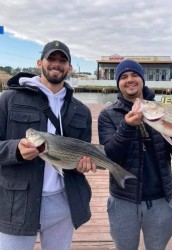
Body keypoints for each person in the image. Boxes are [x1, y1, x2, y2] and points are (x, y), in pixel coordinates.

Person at [98, 59, 172, 250]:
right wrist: (127, 126)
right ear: (118, 83)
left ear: (142, 79)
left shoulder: (162, 110)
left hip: (160, 200)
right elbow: (110, 156)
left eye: (134, 75)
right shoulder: (108, 115)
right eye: (123, 77)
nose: (129, 80)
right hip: (123, 199)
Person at [0, 40, 96, 250]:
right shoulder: (8, 99)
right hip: (16, 204)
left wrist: (82, 165)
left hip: (63, 203)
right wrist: (15, 150)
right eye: (51, 58)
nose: (56, 64)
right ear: (39, 62)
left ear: (69, 68)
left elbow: (82, 153)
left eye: (62, 60)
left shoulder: (81, 111)